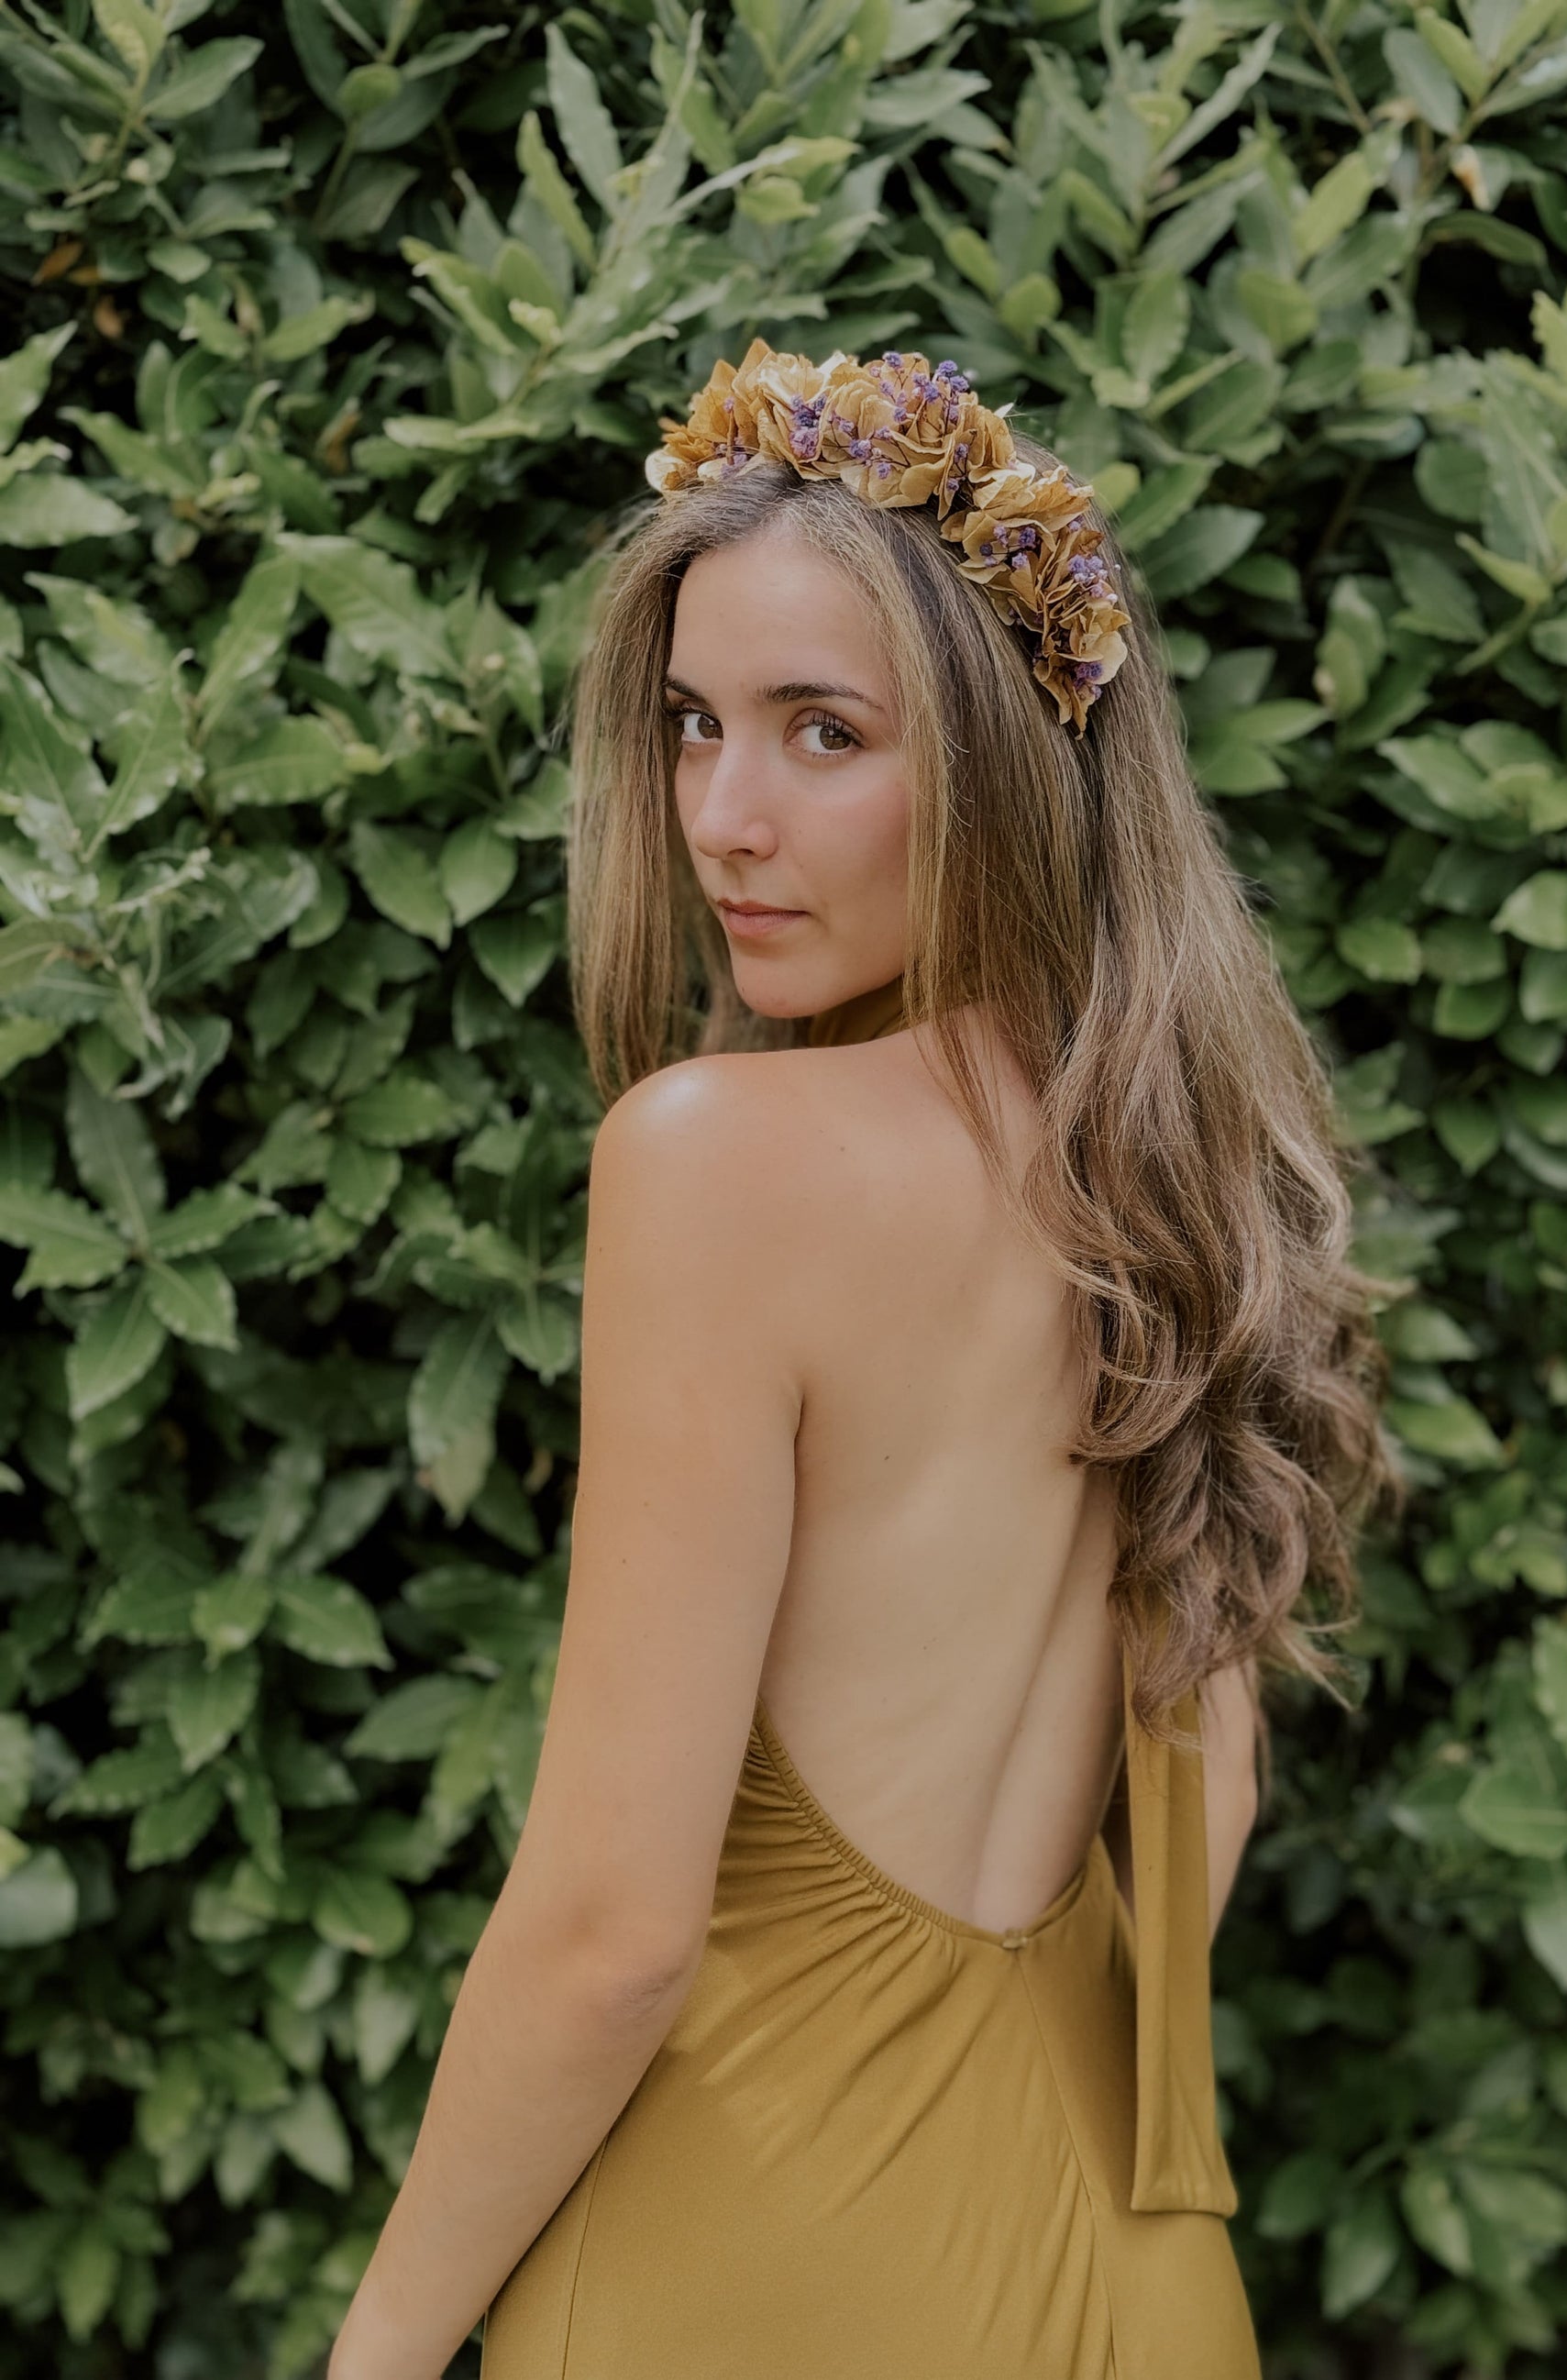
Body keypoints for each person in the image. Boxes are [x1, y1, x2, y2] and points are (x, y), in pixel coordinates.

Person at [327, 342, 1397, 2380]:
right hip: (1134, 2276)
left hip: (758, 2272)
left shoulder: (717, 1162)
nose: (724, 817)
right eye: (692, 724)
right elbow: (1212, 1794)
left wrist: (378, 2347)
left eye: (824, 732)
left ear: (1005, 762)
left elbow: (612, 1931)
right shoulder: (1161, 1178)